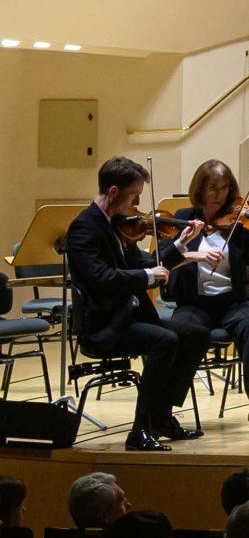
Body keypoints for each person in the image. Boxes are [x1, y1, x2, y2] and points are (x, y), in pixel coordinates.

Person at [65, 156, 204, 451]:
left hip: (129, 318)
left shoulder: (116, 226)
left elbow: (145, 262)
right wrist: (146, 276)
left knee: (196, 334)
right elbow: (101, 278)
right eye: (133, 195)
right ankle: (140, 431)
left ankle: (162, 416)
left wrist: (180, 244)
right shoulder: (83, 229)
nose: (137, 203)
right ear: (114, 192)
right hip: (104, 326)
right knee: (165, 341)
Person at [161, 158, 249, 434]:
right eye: (212, 187)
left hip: (234, 302)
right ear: (200, 189)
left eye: (225, 188)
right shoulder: (183, 217)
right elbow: (163, 259)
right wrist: (194, 254)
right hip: (194, 303)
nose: (219, 194)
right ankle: (164, 408)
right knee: (184, 333)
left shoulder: (239, 222)